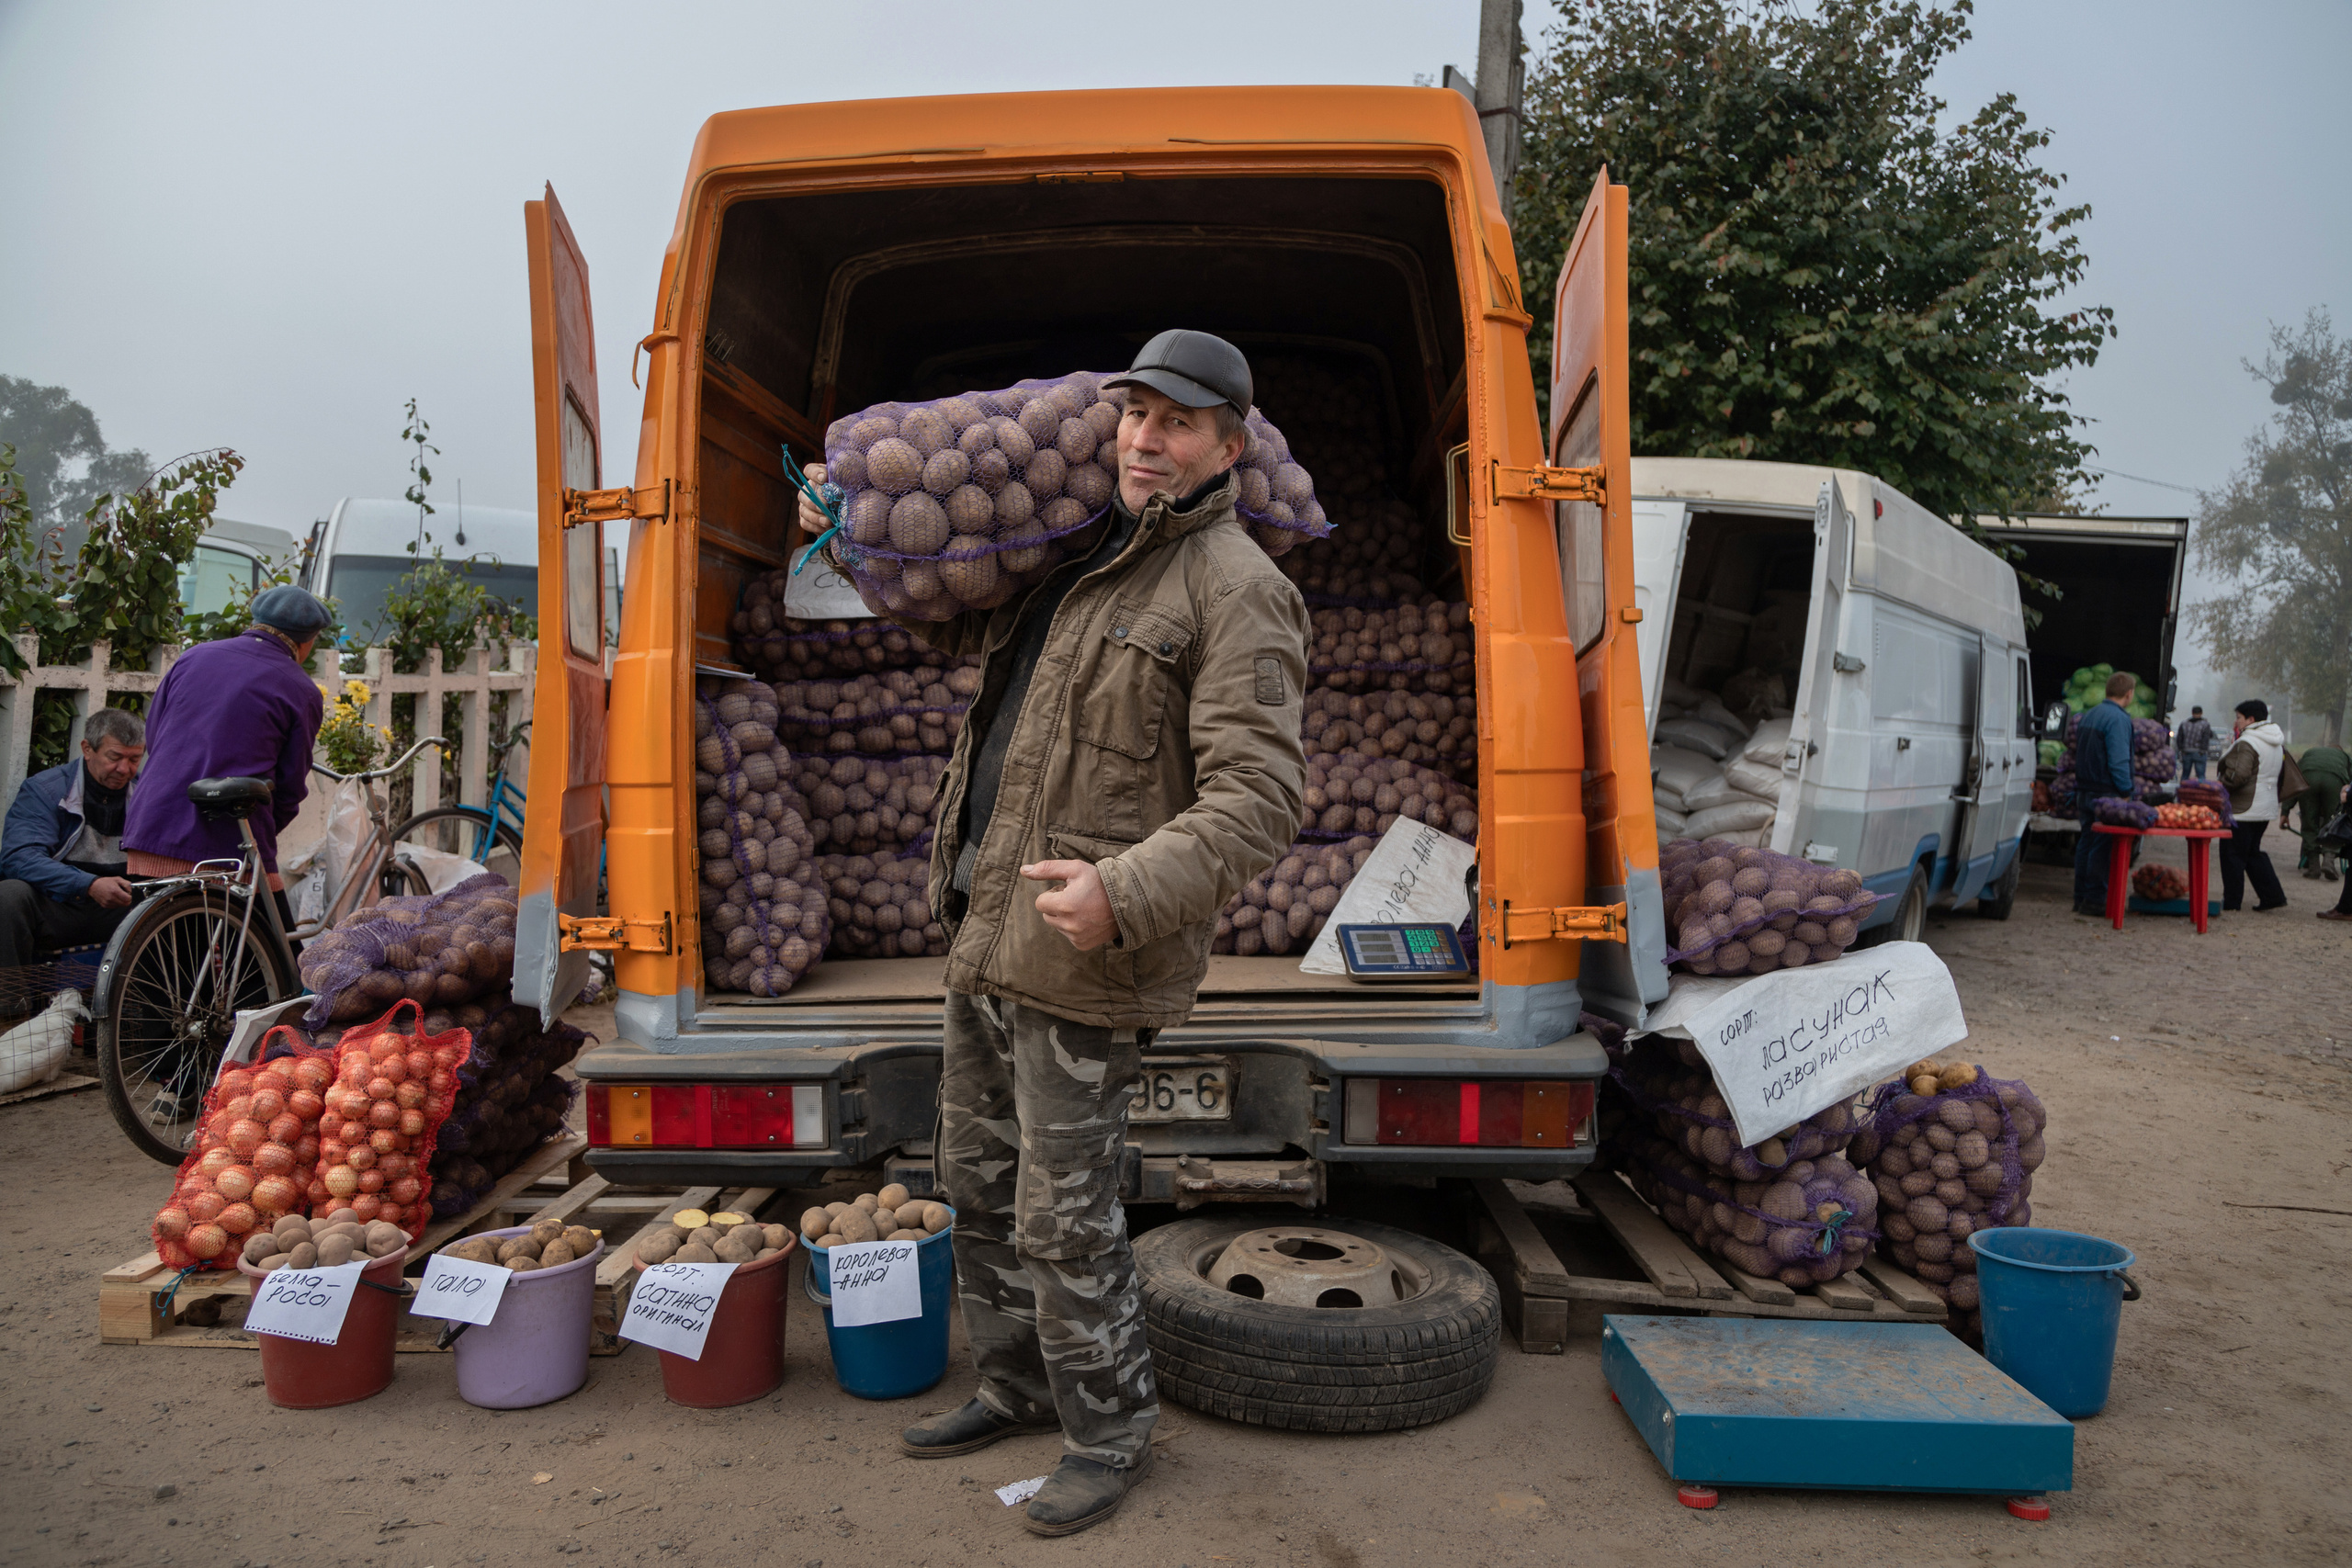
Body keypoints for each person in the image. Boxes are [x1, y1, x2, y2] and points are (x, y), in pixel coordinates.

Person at [800, 331, 1307, 1536]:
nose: (1145, 436)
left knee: (1063, 1210)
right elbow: (966, 657)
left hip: (1087, 953)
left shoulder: (1235, 587)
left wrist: (1124, 890)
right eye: (1134, 413)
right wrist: (858, 540)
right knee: (973, 1175)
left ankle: (1109, 1425)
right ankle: (1017, 1381)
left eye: (1177, 421)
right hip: (989, 930)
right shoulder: (1082, 562)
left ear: (1228, 444)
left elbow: (1260, 798)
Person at [122, 586, 332, 911]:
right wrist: (260, 830)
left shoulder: (193, 656)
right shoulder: (300, 688)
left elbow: (155, 733)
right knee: (271, 953)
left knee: (156, 954)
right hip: (227, 846)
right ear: (307, 640)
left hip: (151, 828)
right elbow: (290, 790)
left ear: (256, 621)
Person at [0, 708, 147, 971]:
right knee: (9, 896)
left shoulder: (146, 792)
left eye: (134, 759)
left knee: (187, 895)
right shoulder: (45, 790)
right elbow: (19, 858)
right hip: (60, 905)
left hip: (123, 908)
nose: (125, 769)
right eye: (114, 757)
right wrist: (88, 884)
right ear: (87, 749)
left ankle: (171, 1007)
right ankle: (11, 1010)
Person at [2214, 699, 2289, 913]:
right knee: (2252, 853)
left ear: (2250, 719)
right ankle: (2272, 895)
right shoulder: (2274, 740)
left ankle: (2232, 902)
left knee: (2232, 855)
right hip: (2265, 807)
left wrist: (2220, 783)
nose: (2236, 722)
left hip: (2244, 809)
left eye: (2238, 717)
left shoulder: (2248, 741)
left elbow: (2239, 775)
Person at [2071, 671, 2136, 916]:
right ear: (2129, 694)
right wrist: (2126, 790)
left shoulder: (2091, 714)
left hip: (2085, 790)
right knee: (2102, 848)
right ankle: (2096, 900)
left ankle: (2080, 898)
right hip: (2107, 794)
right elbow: (2118, 760)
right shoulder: (2118, 720)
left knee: (2086, 844)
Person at [2287, 742, 2347, 880]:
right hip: (2334, 782)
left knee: (2309, 824)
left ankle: (2314, 867)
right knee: (2334, 823)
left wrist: (2285, 811)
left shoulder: (2310, 754)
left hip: (2308, 779)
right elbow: (2349, 784)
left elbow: (2295, 782)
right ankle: (2329, 860)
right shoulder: (2343, 757)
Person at [2176, 706, 2213, 780]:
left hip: (2186, 752)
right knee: (2201, 776)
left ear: (2192, 713)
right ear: (2201, 713)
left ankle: (2183, 789)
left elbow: (2179, 738)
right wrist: (2203, 750)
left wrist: (2181, 749)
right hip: (2199, 752)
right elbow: (2208, 736)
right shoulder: (2205, 724)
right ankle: (2201, 789)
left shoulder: (2184, 723)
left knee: (2185, 774)